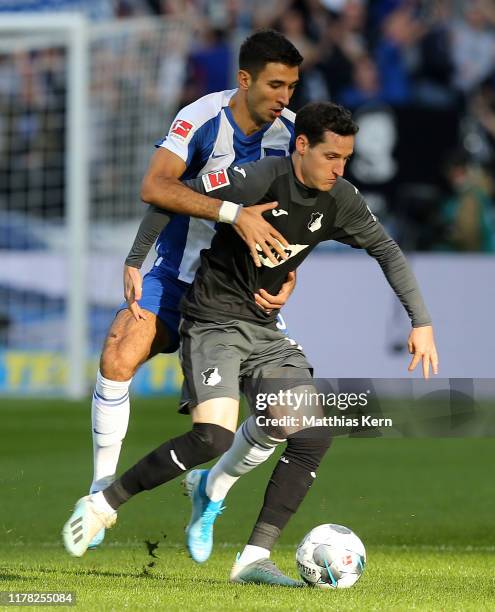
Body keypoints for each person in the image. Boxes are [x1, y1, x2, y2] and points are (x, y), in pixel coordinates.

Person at [63, 102, 439, 586]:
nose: (339, 169)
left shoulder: (341, 197)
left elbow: (386, 248)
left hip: (264, 329)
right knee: (212, 437)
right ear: (300, 146)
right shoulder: (257, 177)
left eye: (346, 158)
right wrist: (136, 260)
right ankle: (102, 503)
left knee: (309, 432)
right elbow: (171, 195)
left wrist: (421, 321)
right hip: (213, 322)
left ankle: (251, 558)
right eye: (330, 157)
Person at [87, 29, 302, 552]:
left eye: (292, 87)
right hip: (176, 277)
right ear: (244, 80)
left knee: (282, 418)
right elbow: (156, 186)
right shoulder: (201, 117)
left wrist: (290, 275)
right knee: (119, 352)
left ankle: (211, 488)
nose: (284, 98)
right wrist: (143, 254)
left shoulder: (294, 133)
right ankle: (99, 491)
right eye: (275, 85)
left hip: (238, 293)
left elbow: (308, 216)